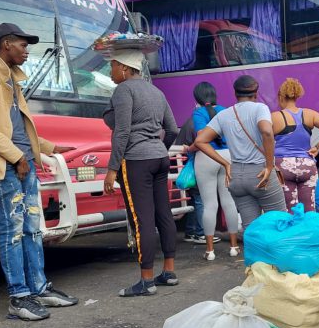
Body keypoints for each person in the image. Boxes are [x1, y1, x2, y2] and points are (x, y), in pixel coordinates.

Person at [0, 23, 78, 320]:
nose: (27, 51)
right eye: (22, 45)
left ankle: (39, 289)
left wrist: (51, 148)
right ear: (6, 44)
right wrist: (17, 158)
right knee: (11, 232)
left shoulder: (12, 80)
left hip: (22, 164)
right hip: (4, 167)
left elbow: (18, 129)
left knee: (32, 229)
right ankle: (18, 297)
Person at [102, 48, 180, 297]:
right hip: (159, 158)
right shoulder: (156, 91)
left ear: (124, 67)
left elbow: (122, 131)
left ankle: (146, 280)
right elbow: (172, 129)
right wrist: (158, 148)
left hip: (137, 161)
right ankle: (168, 271)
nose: (110, 71)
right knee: (163, 214)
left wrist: (112, 169)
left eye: (113, 65)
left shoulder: (124, 90)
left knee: (141, 219)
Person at [194, 75, 286, 231]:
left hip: (236, 175)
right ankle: (278, 255)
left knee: (251, 228)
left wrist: (225, 163)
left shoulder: (223, 115)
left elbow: (200, 141)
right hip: (260, 172)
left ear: (235, 94)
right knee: (279, 223)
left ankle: (255, 255)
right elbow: (267, 132)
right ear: (256, 93)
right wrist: (269, 166)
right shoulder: (260, 108)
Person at [191, 82, 240, 260]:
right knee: (229, 202)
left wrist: (188, 149)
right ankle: (234, 247)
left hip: (206, 157)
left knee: (209, 204)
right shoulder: (227, 111)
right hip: (228, 156)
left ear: (197, 97)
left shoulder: (198, 113)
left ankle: (210, 251)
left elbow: (201, 138)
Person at [272, 78, 319, 211]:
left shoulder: (275, 117)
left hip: (283, 167)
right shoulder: (309, 114)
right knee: (309, 209)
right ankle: (310, 230)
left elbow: (263, 140)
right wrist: (318, 148)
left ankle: (294, 232)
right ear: (297, 96)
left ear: (281, 97)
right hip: (307, 164)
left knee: (290, 210)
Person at [174, 115, 208, 244]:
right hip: (196, 166)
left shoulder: (189, 122)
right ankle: (200, 233)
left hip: (188, 166)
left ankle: (190, 232)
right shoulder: (200, 122)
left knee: (194, 201)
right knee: (200, 200)